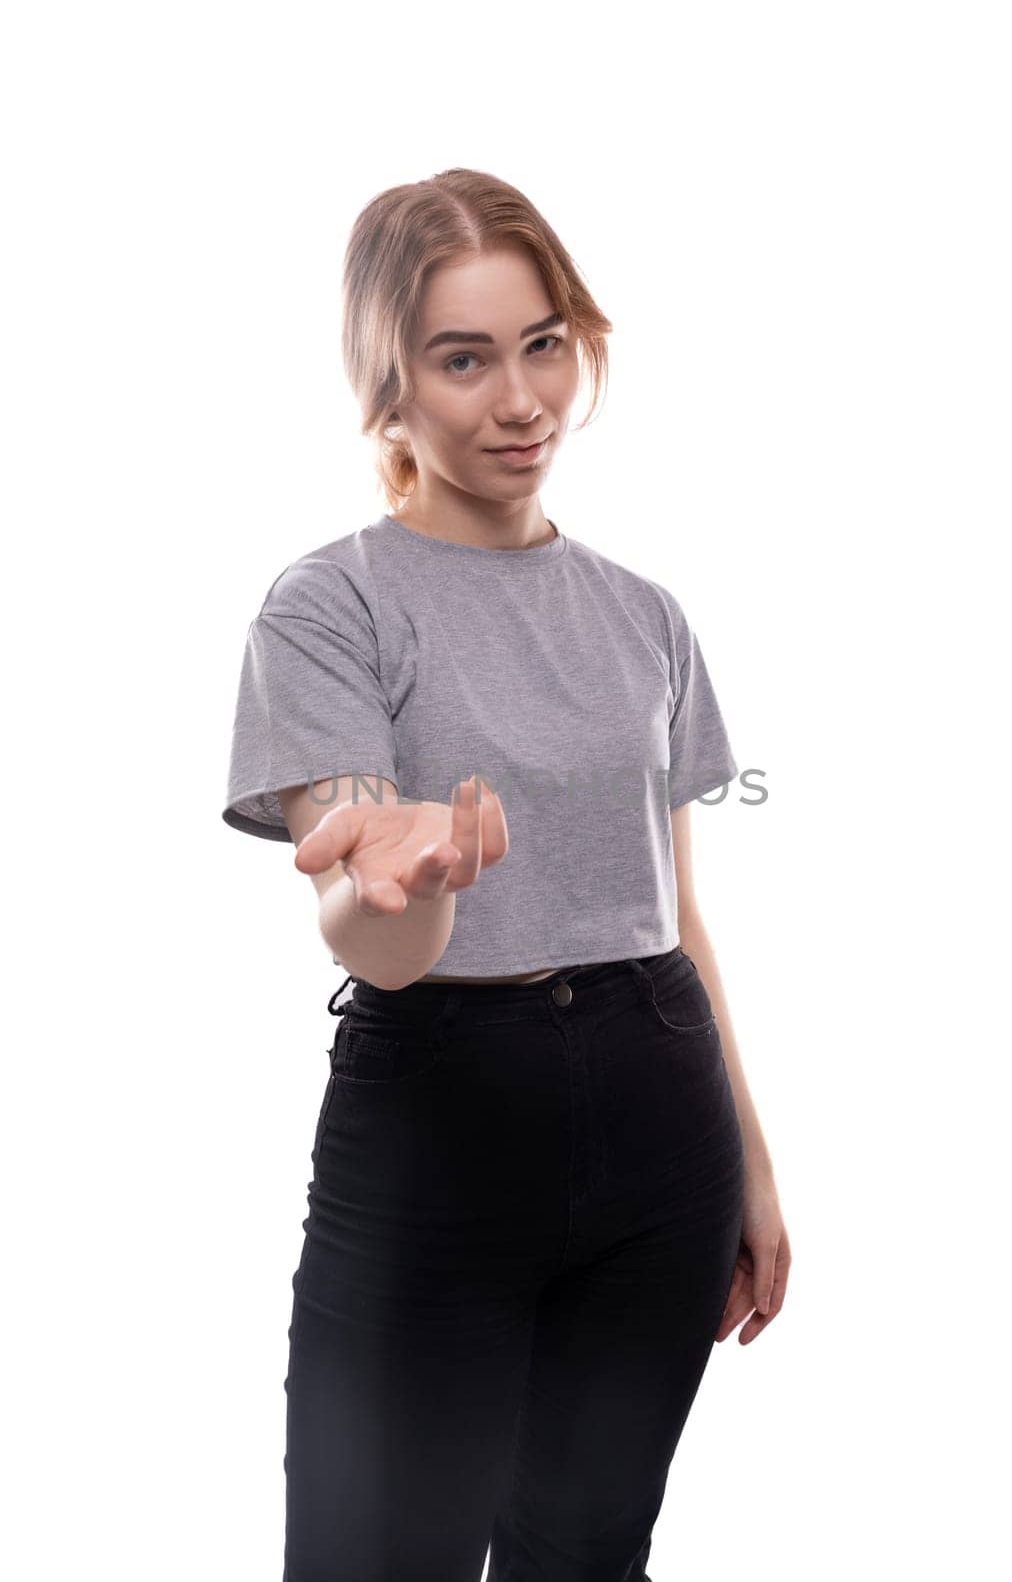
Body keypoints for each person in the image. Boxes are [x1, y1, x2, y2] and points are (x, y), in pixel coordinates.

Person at [222, 167, 791, 1582]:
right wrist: (405, 878)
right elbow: (366, 931)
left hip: (659, 1105)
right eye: (463, 358)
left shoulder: (646, 616)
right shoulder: (330, 607)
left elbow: (678, 911)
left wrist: (756, 1172)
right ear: (388, 382)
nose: (521, 397)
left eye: (544, 343)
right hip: (439, 1123)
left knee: (584, 1555)